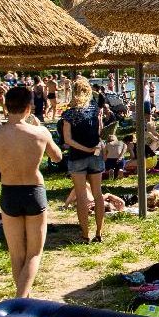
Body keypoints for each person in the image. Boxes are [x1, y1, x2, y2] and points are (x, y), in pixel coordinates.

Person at [0, 86, 62, 298]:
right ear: (28, 107)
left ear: (6, 107)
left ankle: (22, 297)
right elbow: (58, 157)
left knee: (17, 254)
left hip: (9, 191)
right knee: (34, 253)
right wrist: (40, 130)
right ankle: (21, 299)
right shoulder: (39, 132)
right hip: (34, 190)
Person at [58, 78, 112, 244]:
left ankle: (85, 234)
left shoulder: (69, 114)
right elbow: (101, 132)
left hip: (77, 157)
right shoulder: (95, 110)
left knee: (81, 196)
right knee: (98, 194)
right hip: (95, 155)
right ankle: (99, 232)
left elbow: (67, 140)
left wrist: (83, 149)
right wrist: (94, 149)